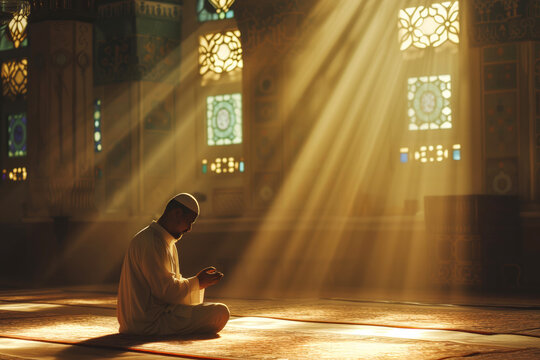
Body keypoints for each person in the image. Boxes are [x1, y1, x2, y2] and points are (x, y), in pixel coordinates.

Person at [117, 193, 229, 336]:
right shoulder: (150, 242)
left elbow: (170, 287)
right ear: (176, 213)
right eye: (189, 221)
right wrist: (198, 282)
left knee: (214, 311)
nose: (189, 228)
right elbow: (166, 292)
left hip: (146, 319)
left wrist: (198, 283)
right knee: (220, 313)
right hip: (149, 322)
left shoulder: (165, 242)